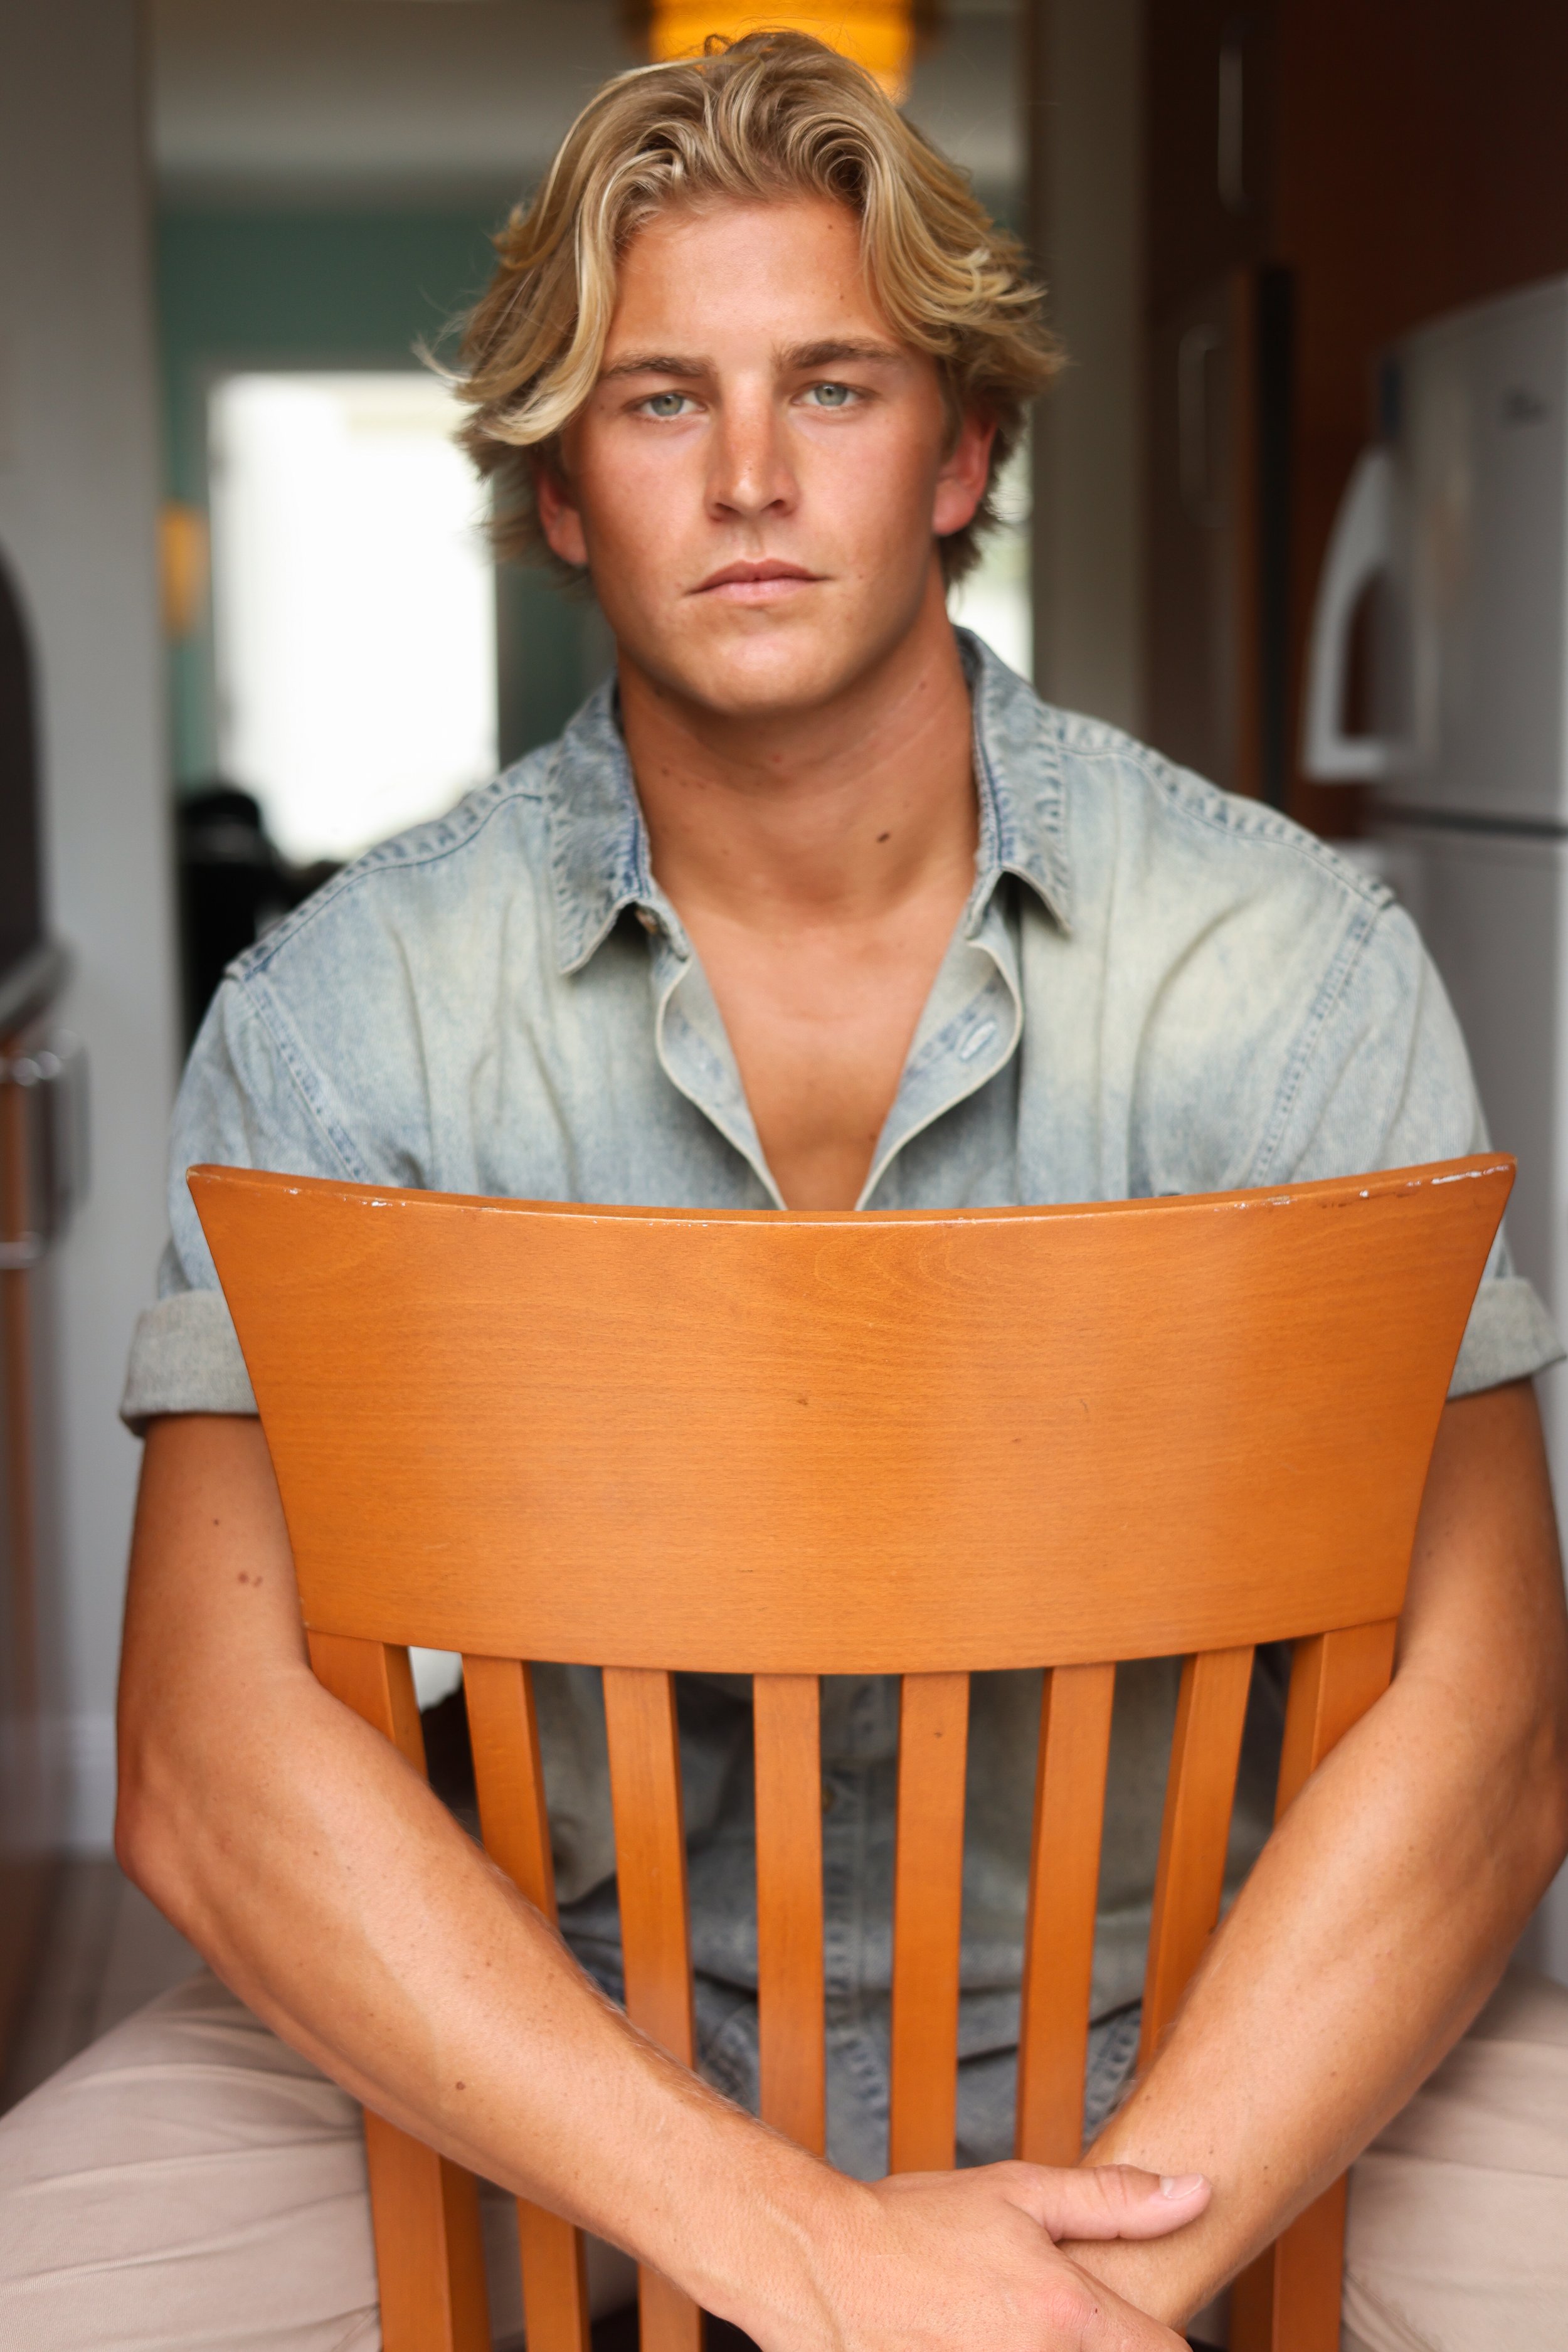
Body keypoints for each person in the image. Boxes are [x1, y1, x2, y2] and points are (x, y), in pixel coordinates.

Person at [3, 31, 1567, 2352]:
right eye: (656, 403)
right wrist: (805, 2244)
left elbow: (1494, 1716)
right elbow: (212, 1767)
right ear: (555, 491)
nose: (746, 474)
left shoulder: (1291, 975)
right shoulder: (348, 1017)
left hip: (1192, 2056)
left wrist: (1089, 2273)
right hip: (557, 2061)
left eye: (831, 388)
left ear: (964, 454)